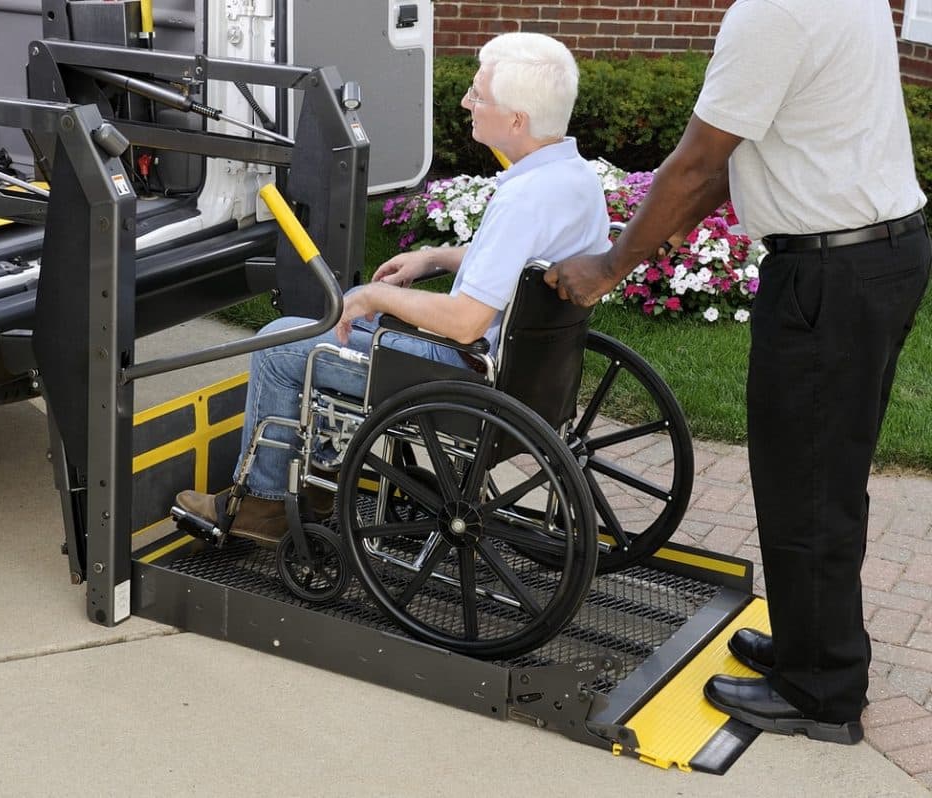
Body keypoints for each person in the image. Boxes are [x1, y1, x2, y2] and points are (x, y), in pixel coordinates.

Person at [545, 0, 931, 745]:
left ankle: (821, 693)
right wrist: (668, 215)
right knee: (824, 475)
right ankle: (810, 645)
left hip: (829, 271)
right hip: (880, 254)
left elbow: (699, 159)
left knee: (807, 482)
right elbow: (746, 149)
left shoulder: (771, 13)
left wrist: (611, 264)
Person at [175, 31, 611, 545]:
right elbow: (520, 263)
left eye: (478, 95)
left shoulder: (523, 199)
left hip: (462, 372)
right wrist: (432, 257)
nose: (467, 102)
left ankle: (266, 505)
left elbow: (467, 321)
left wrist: (373, 297)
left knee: (281, 343)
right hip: (527, 374)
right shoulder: (574, 178)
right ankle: (315, 481)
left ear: (516, 119)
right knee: (352, 324)